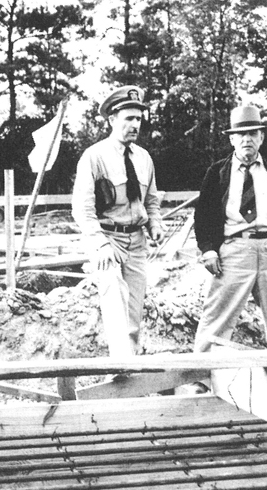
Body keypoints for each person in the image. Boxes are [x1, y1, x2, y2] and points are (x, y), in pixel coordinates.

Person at [193, 105, 267, 353]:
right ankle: (202, 374)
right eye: (241, 135)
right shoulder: (218, 172)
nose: (247, 139)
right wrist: (208, 250)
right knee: (217, 317)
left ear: (261, 138)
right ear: (232, 139)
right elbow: (203, 215)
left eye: (253, 134)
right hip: (235, 250)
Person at [72, 85, 165, 357]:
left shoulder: (144, 158)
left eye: (138, 119)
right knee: (115, 301)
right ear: (112, 120)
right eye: (129, 118)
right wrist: (100, 244)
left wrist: (155, 224)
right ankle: (120, 366)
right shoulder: (94, 156)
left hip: (136, 243)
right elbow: (82, 207)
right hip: (107, 240)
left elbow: (151, 200)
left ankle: (131, 369)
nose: (135, 124)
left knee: (134, 310)